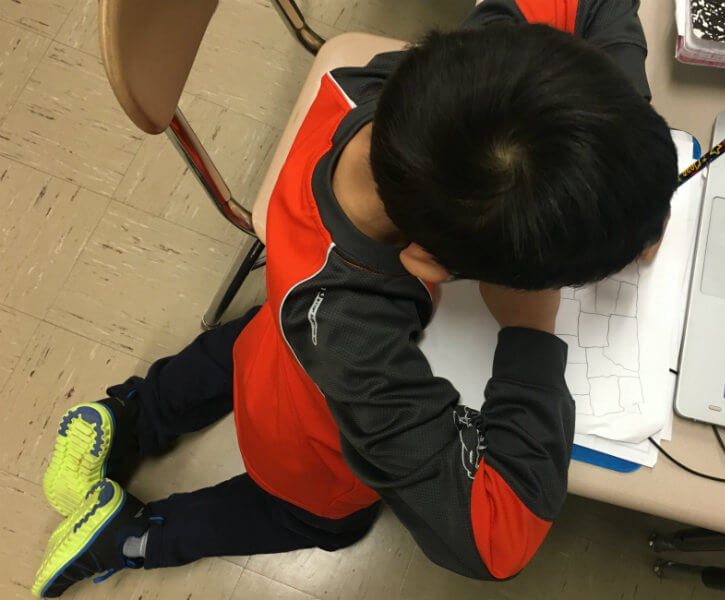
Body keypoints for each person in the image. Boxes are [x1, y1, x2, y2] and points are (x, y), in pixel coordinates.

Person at [31, 0, 677, 596]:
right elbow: (493, 541)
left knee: (253, 337)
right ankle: (133, 535)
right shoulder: (348, 334)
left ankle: (130, 413)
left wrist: (622, 152)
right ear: (427, 262)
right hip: (304, 431)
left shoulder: (428, 86)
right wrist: (531, 332)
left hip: (279, 323)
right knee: (317, 518)